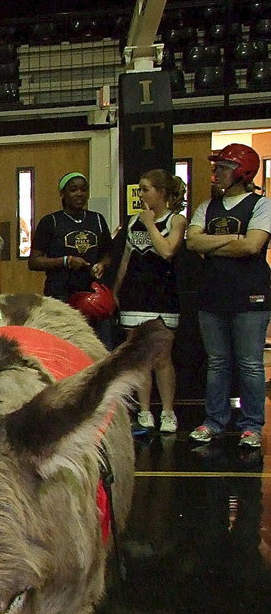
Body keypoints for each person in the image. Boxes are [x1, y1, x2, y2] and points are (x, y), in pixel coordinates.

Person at [185, 143, 270, 448]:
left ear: (241, 172)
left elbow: (251, 246)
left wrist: (216, 242)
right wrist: (233, 238)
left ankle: (251, 426)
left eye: (222, 168)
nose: (215, 174)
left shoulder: (261, 205)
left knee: (249, 364)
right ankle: (214, 421)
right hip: (212, 297)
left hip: (250, 299)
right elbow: (192, 242)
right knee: (217, 363)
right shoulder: (206, 207)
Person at [111, 169, 187, 434]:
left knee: (162, 357)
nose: (141, 194)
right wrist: (116, 290)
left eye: (145, 189)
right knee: (140, 356)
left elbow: (167, 250)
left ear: (162, 192)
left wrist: (151, 223)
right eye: (140, 189)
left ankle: (167, 411)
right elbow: (125, 260)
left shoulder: (176, 221)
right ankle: (144, 412)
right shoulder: (133, 222)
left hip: (163, 296)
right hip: (136, 295)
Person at [27, 172, 112, 301]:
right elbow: (34, 262)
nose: (79, 193)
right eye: (73, 190)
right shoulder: (51, 221)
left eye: (83, 190)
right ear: (62, 193)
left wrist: (102, 264)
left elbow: (109, 254)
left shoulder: (97, 219)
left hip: (93, 294)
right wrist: (66, 261)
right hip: (60, 295)